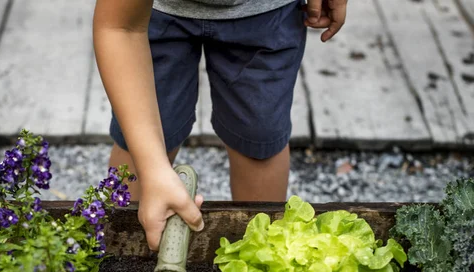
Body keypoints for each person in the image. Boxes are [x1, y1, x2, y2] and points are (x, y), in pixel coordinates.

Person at [93, 0, 348, 251]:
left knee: (259, 139)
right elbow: (119, 28)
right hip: (151, 12)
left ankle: (258, 262)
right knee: (139, 141)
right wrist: (153, 171)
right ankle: (120, 253)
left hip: (267, 12)